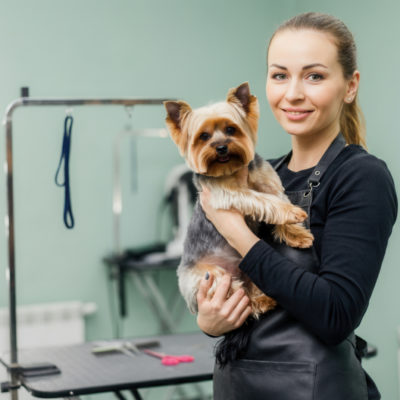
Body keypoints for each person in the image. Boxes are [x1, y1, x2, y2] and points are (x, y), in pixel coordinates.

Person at [196, 12, 397, 400]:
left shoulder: (361, 177)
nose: (293, 94)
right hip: (238, 386)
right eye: (279, 75)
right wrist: (209, 319)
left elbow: (335, 314)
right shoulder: (259, 175)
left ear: (350, 86)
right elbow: (222, 282)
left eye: (314, 76)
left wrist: (236, 232)